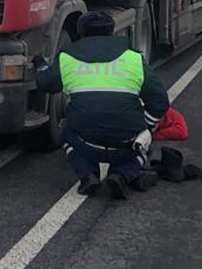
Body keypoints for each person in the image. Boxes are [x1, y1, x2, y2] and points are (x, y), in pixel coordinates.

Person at [36, 11, 169, 199]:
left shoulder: (67, 57)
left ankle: (87, 175)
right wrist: (146, 127)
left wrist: (39, 64)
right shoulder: (133, 58)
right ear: (112, 31)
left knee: (67, 134)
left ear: (80, 31)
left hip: (87, 142)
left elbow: (45, 83)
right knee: (145, 146)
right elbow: (160, 100)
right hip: (126, 144)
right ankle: (121, 175)